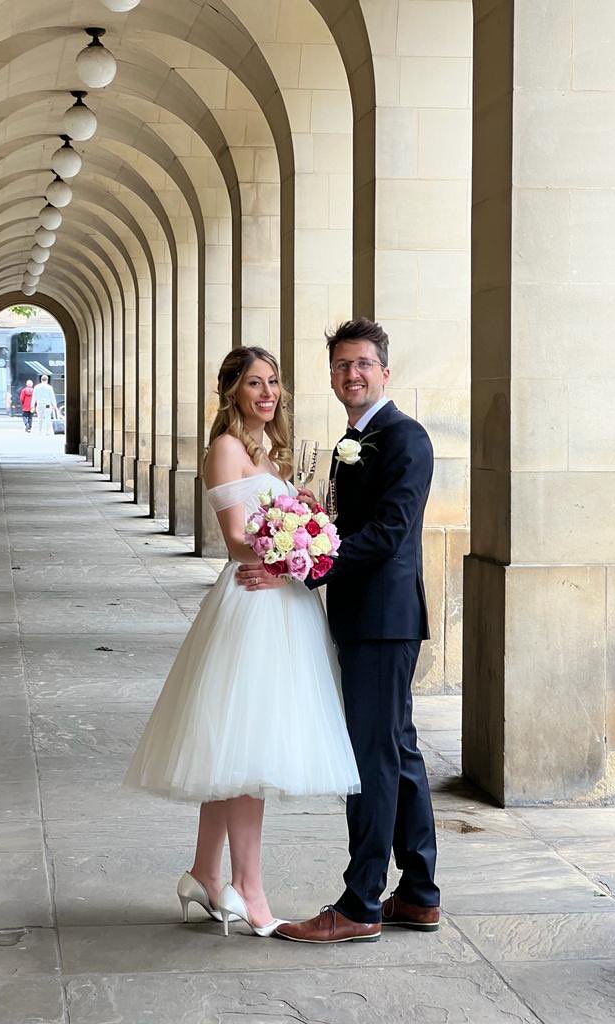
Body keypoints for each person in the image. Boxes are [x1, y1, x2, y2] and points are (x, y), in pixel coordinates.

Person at [124, 346, 359, 937]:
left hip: (279, 600)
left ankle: (206, 873)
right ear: (231, 391)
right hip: (253, 603)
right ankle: (249, 890)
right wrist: (291, 546)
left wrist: (302, 515)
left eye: (274, 382)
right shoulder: (226, 449)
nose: (267, 393)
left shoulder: (267, 454)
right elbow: (234, 540)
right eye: (254, 383)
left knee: (233, 749)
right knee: (248, 751)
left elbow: (270, 520)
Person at [238, 317, 441, 943]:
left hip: (383, 620)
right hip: (364, 617)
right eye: (341, 366)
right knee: (398, 751)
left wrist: (303, 564)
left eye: (362, 364)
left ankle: (359, 906)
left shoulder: (405, 438)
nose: (351, 374)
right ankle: (418, 892)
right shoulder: (356, 439)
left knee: (370, 760)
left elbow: (387, 535)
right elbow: (348, 522)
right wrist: (308, 522)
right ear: (331, 376)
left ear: (385, 370)